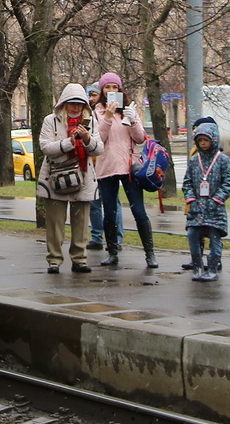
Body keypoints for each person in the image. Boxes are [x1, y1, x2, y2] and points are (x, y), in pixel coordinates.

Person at [93, 72, 158, 269]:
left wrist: (133, 120)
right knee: (110, 213)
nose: (112, 91)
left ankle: (150, 254)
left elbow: (140, 138)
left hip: (130, 167)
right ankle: (112, 252)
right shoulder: (97, 112)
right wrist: (108, 117)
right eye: (107, 88)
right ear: (102, 91)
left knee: (139, 211)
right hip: (107, 168)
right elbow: (98, 140)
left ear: (120, 89)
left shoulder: (129, 109)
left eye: (115, 87)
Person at [37, 83, 103, 273]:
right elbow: (46, 147)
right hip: (56, 176)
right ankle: (54, 260)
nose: (75, 107)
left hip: (83, 176)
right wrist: (69, 142)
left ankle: (79, 259)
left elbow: (99, 149)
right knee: (55, 223)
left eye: (79, 103)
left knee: (81, 222)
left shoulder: (91, 121)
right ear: (64, 103)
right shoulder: (51, 120)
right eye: (72, 103)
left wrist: (87, 138)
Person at [183, 117, 230, 281]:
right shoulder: (193, 161)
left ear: (213, 140)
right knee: (193, 234)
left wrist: (217, 199)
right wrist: (191, 199)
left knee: (214, 236)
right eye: (200, 140)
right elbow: (187, 182)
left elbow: (229, 182)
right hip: (197, 207)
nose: (203, 143)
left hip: (215, 208)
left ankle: (212, 267)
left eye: (206, 140)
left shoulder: (223, 160)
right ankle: (197, 267)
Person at [85, 84, 123, 251]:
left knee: (113, 203)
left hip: (107, 164)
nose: (92, 98)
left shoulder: (112, 113)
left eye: (94, 95)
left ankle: (116, 238)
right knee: (94, 202)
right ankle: (97, 236)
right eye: (90, 95)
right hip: (91, 165)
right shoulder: (89, 113)